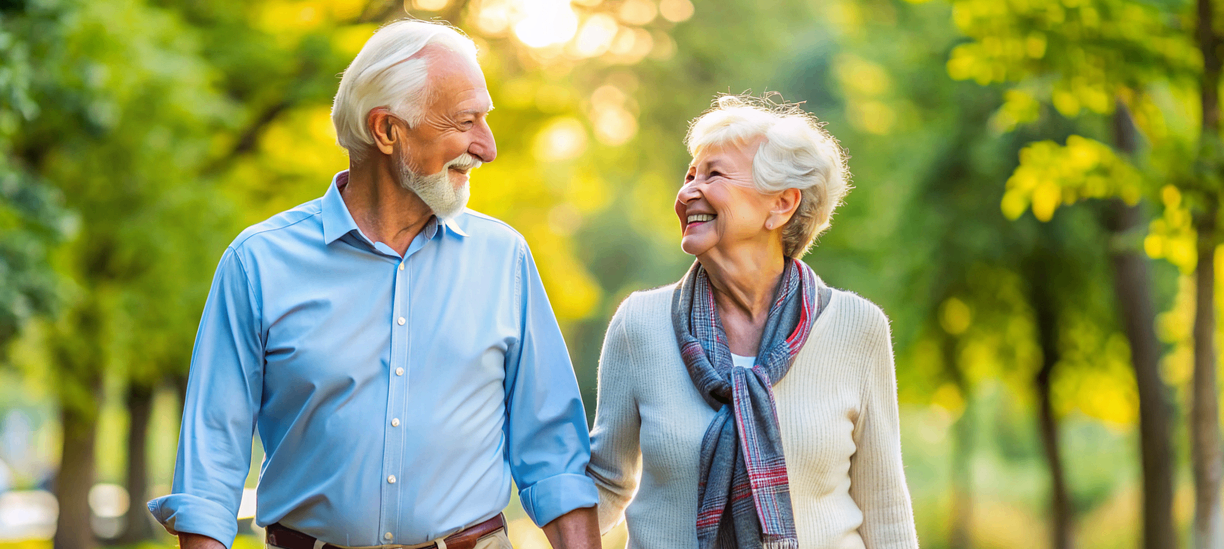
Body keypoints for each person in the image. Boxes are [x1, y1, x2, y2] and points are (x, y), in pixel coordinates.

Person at [148, 20, 601, 549]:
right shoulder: (257, 264)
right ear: (386, 130)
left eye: (486, 119)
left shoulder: (505, 260)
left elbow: (554, 457)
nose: (487, 147)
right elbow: (210, 468)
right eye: (465, 121)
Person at [587, 95, 918, 549]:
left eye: (714, 175)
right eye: (689, 176)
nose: (687, 193)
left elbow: (885, 509)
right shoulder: (639, 325)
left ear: (780, 204)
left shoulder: (857, 328)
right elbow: (606, 483)